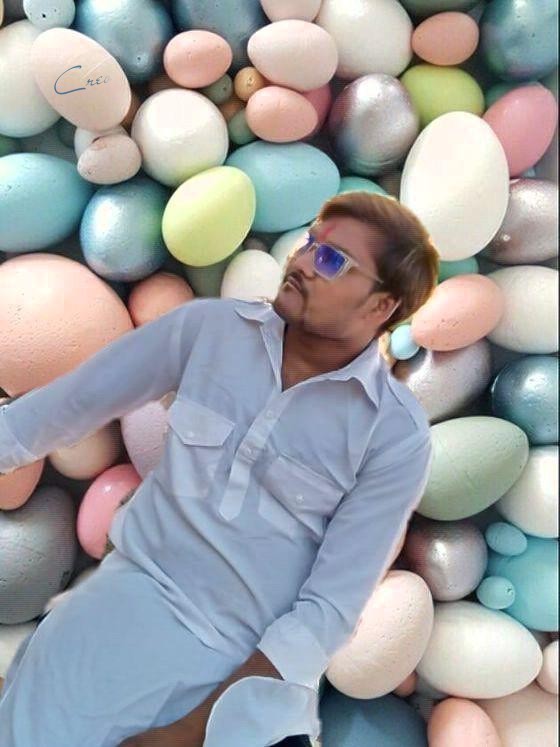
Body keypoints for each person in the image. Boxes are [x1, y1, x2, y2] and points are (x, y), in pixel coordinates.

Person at [0, 192, 439, 747]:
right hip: (123, 611)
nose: (303, 261)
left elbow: (329, 609)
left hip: (249, 668)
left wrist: (193, 727)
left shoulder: (395, 437)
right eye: (309, 242)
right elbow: (63, 408)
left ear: (381, 306)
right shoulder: (208, 330)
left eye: (332, 260)